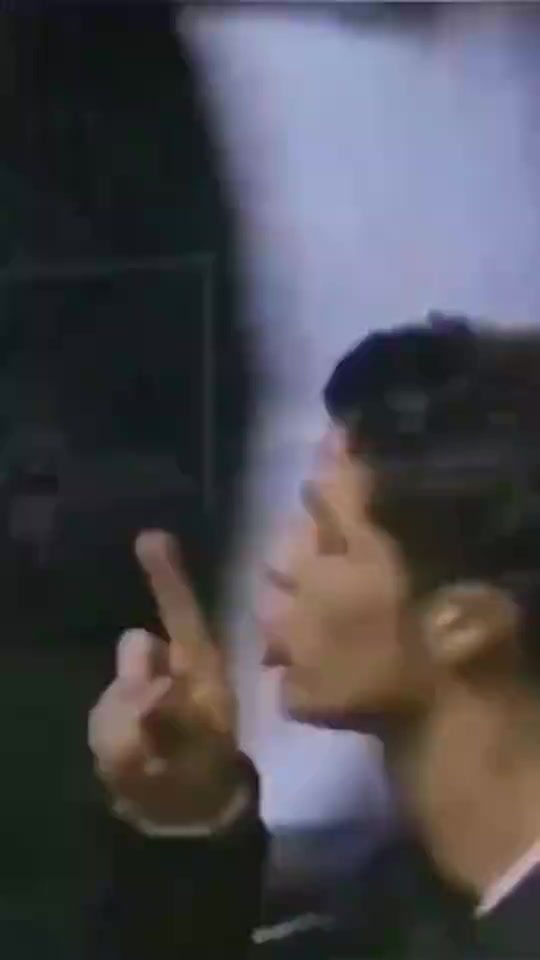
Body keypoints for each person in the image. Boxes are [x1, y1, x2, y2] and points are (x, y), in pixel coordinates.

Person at [88, 314, 540, 958]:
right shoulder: (377, 911)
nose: (281, 563)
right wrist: (183, 818)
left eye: (328, 537)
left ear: (465, 622)